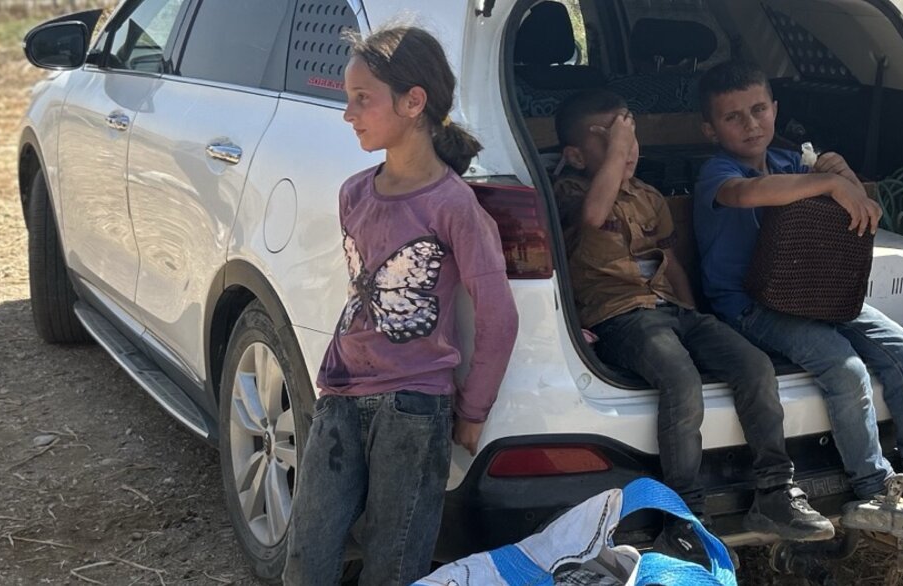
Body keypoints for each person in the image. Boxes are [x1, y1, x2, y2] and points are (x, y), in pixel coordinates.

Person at [549, 89, 836, 548]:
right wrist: (618, 152)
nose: (628, 149)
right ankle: (683, 515)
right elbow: (593, 215)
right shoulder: (568, 190)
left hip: (671, 310)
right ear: (575, 155)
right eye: (612, 141)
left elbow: (672, 261)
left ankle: (775, 490)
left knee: (753, 364)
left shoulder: (648, 195)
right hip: (621, 315)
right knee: (681, 379)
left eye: (632, 138)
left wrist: (695, 317)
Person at [285, 25, 519, 586]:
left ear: (414, 102)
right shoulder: (355, 192)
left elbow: (498, 315)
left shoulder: (454, 206)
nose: (349, 114)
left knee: (392, 567)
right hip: (340, 396)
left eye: (362, 99)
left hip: (413, 410)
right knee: (307, 563)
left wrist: (473, 411)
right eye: (348, 99)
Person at [690, 61, 903, 502]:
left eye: (758, 110)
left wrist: (842, 177)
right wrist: (824, 181)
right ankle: (874, 488)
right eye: (733, 117)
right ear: (710, 129)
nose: (751, 125)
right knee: (843, 368)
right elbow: (747, 194)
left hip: (816, 290)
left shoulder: (794, 160)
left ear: (775, 108)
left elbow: (861, 212)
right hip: (750, 305)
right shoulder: (716, 173)